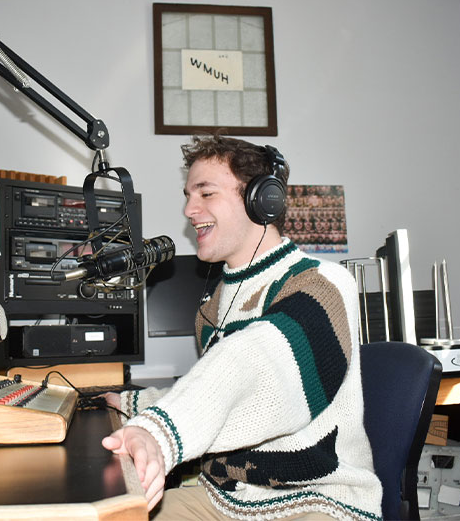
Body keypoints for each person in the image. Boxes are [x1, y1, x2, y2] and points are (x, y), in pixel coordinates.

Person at [101, 134, 382, 520]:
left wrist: (160, 432)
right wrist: (130, 403)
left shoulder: (324, 284)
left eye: (205, 193)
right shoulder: (213, 305)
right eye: (187, 195)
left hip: (318, 500)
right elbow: (222, 396)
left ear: (262, 200)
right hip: (225, 498)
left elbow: (259, 363)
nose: (188, 209)